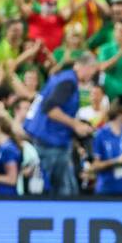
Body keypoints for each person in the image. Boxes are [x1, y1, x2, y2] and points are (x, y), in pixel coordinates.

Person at [22, 53, 98, 196]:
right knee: (63, 193)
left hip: (49, 140)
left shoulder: (63, 77)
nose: (92, 75)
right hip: (50, 143)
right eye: (93, 70)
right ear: (86, 67)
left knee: (68, 190)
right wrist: (75, 125)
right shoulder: (68, 81)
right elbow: (50, 109)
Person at [89, 102, 122, 196]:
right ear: (119, 113)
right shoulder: (100, 135)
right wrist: (117, 161)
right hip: (105, 190)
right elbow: (94, 166)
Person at [0, 116, 23, 196]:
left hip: (6, 196)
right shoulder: (2, 147)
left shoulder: (8, 149)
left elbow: (12, 179)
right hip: (0, 193)